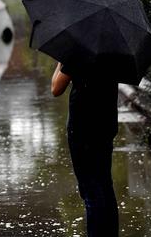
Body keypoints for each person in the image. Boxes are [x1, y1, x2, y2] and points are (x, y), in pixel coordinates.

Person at [51, 61, 119, 237]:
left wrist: (61, 61)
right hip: (105, 125)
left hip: (83, 130)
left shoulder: (78, 50)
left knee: (91, 191)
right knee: (105, 186)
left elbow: (56, 88)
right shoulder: (113, 49)